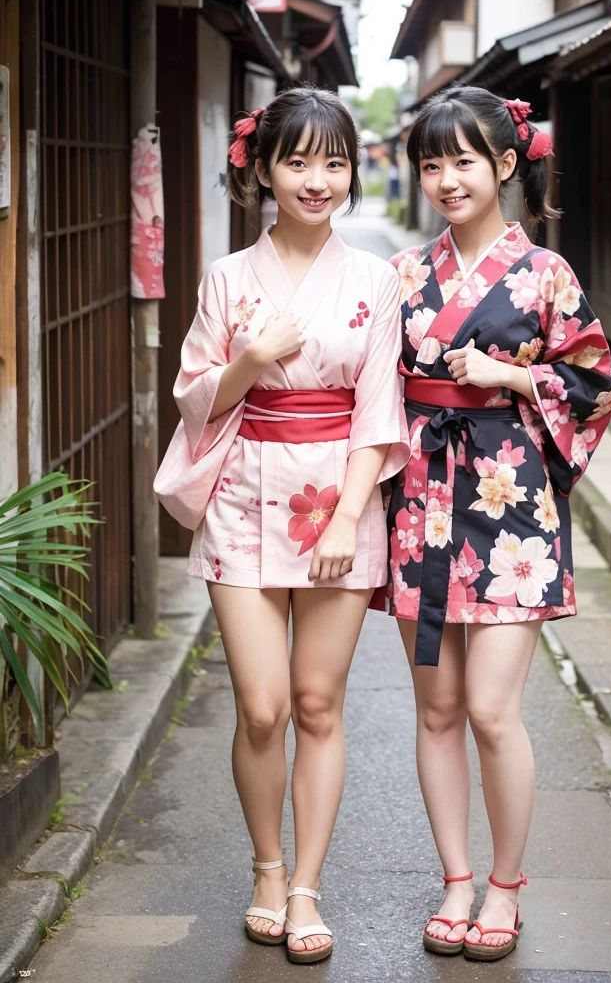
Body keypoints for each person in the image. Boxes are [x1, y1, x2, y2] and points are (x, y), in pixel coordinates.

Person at [154, 86, 409, 964]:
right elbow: (194, 397)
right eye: (297, 161)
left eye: (334, 162)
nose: (318, 179)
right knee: (262, 709)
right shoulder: (227, 279)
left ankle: (304, 887)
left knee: (316, 704)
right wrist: (251, 359)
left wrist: (346, 517)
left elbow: (382, 413)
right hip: (242, 499)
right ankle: (265, 867)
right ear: (262, 169)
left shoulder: (376, 281)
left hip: (340, 501)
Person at [383, 85, 611, 961]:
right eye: (432, 161)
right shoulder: (405, 274)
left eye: (465, 159)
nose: (447, 177)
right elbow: (374, 392)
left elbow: (595, 382)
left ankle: (506, 884)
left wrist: (514, 377)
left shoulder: (546, 273)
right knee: (436, 708)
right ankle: (453, 880)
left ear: (506, 165)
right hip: (424, 500)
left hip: (511, 504)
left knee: (489, 709)